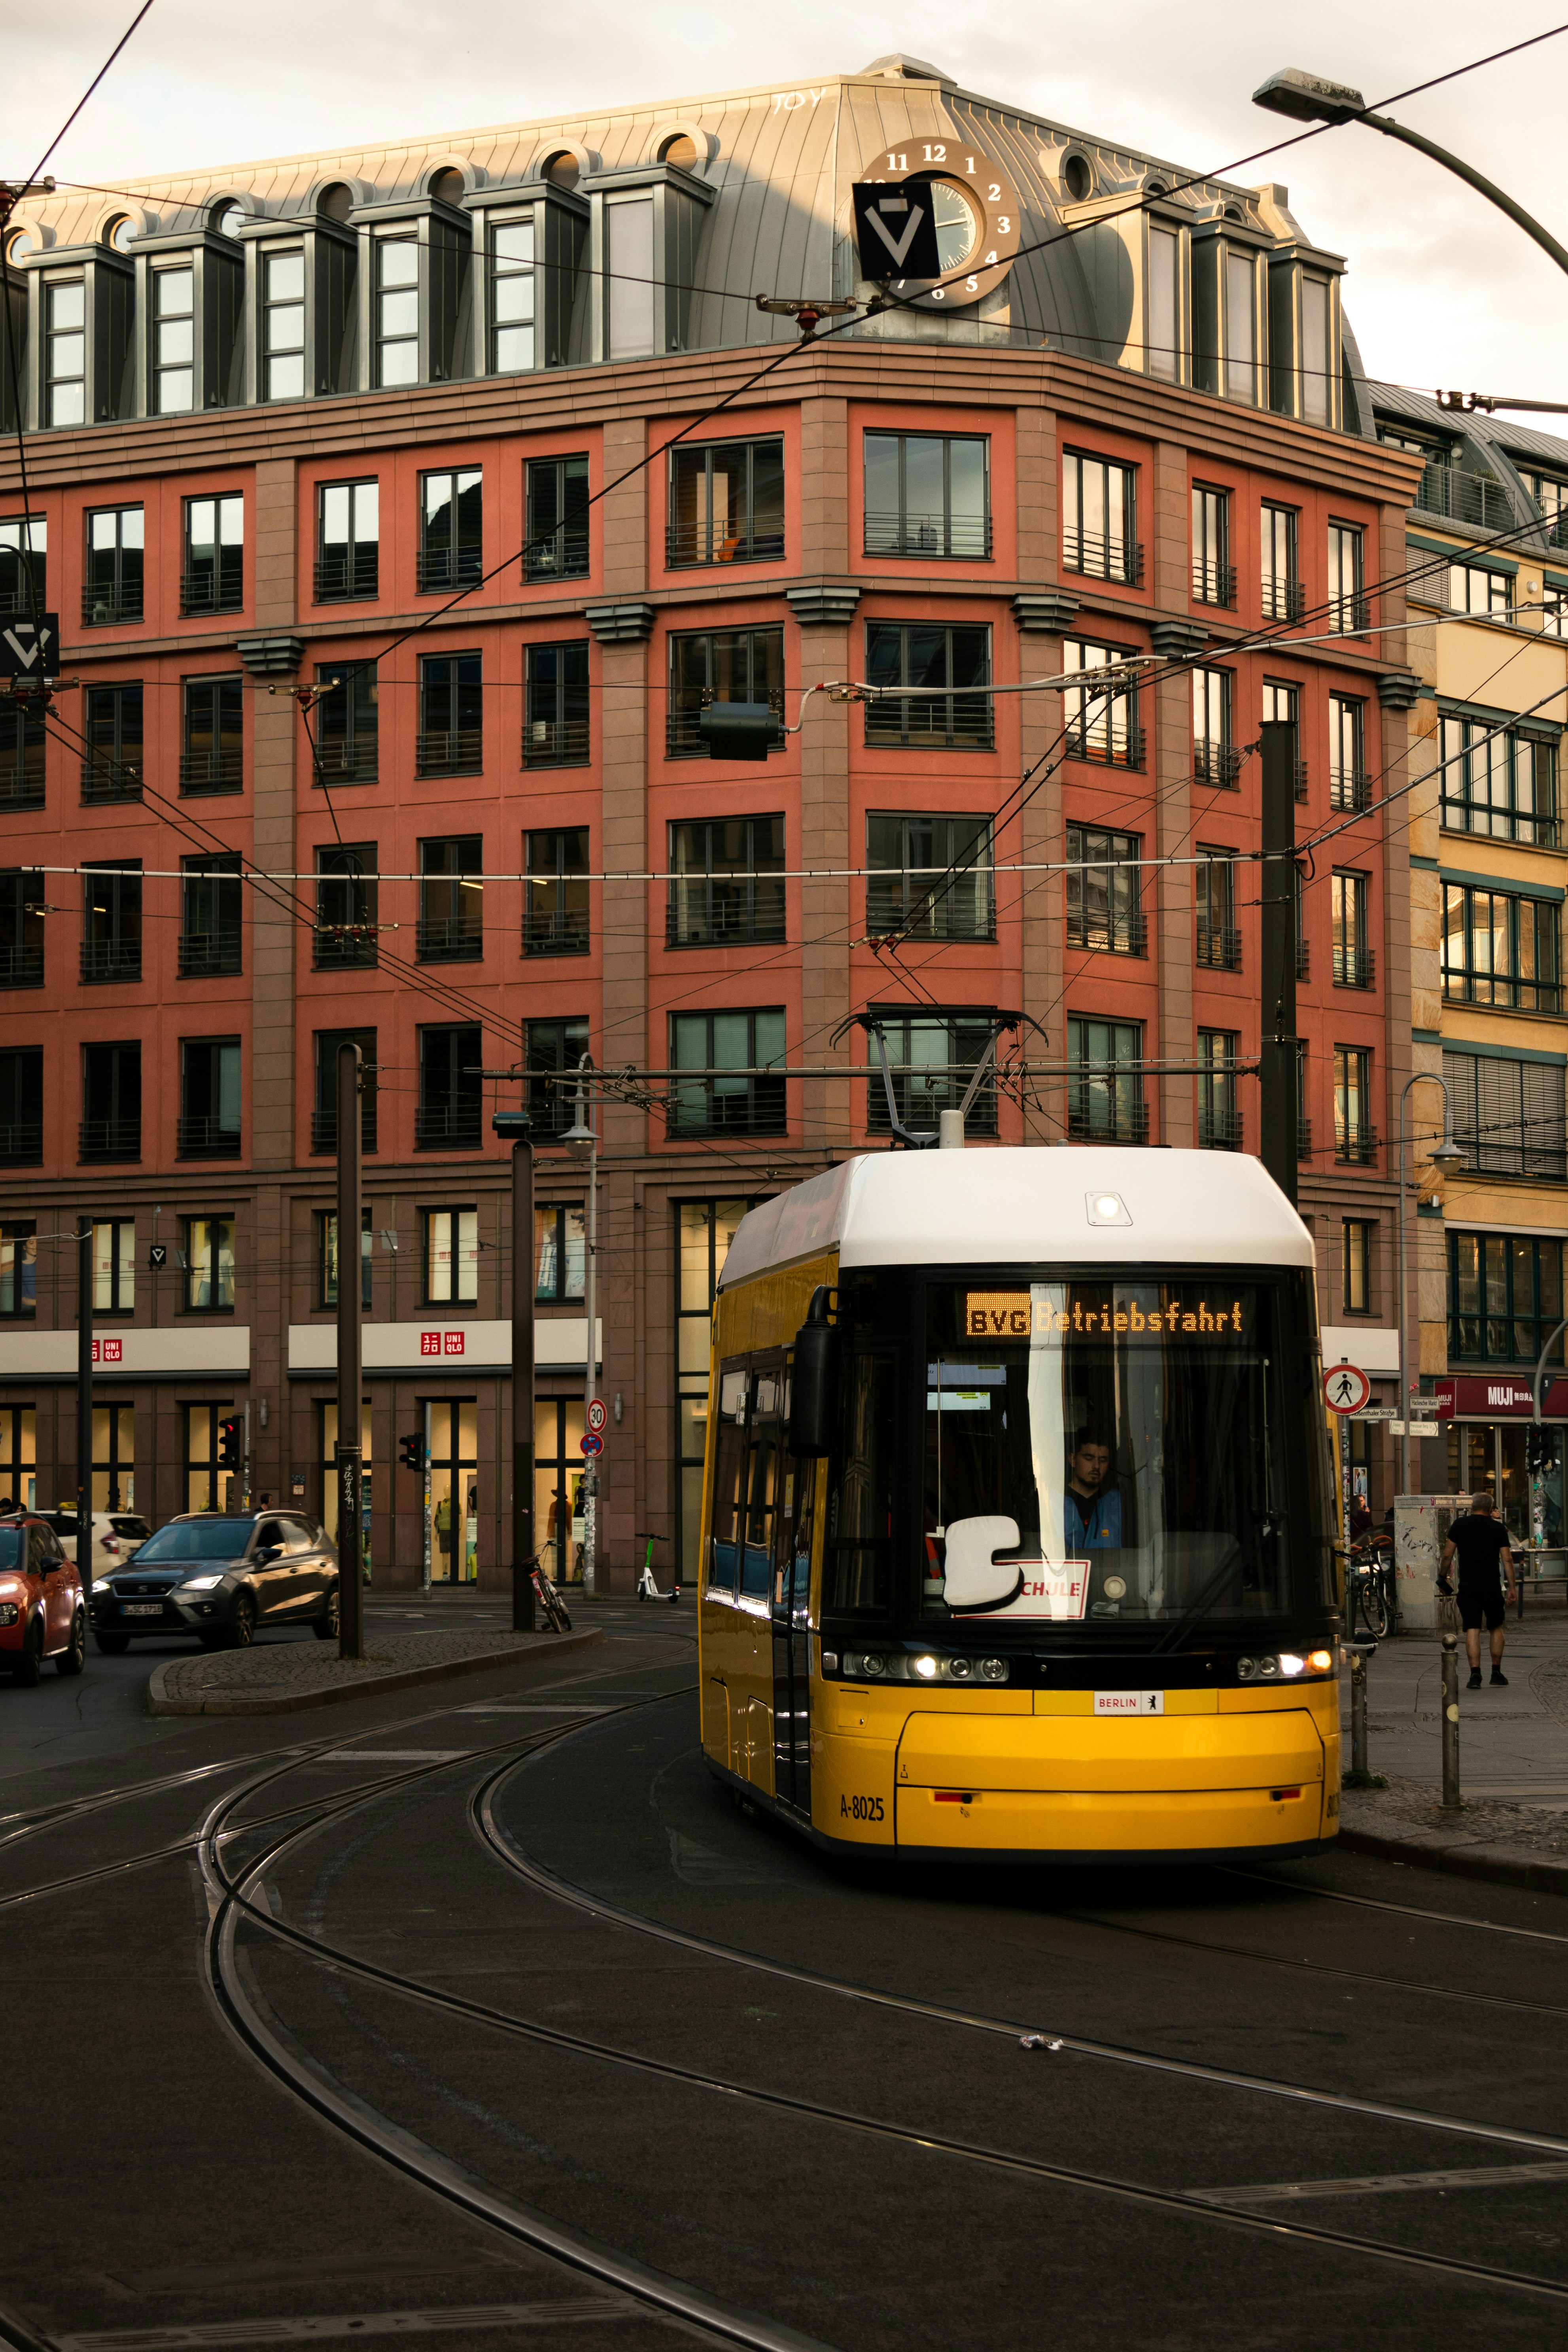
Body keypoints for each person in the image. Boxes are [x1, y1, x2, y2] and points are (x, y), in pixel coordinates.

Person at [1439, 1491, 1517, 1688]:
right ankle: (1496, 1673)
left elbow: (1447, 1555)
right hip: (1491, 1584)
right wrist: (1512, 1588)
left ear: (1471, 1508)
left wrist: (1442, 1576)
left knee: (1472, 1627)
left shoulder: (1460, 1525)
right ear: (1491, 1510)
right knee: (1496, 1626)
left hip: (1469, 1584)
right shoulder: (1498, 1528)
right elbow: (1507, 1559)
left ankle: (1475, 1675)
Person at [1063, 1431, 1122, 1551]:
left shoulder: (1116, 1504)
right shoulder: (1054, 1504)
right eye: (1089, 1458)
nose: (1097, 1466)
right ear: (1073, 1459)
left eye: (1103, 1460)